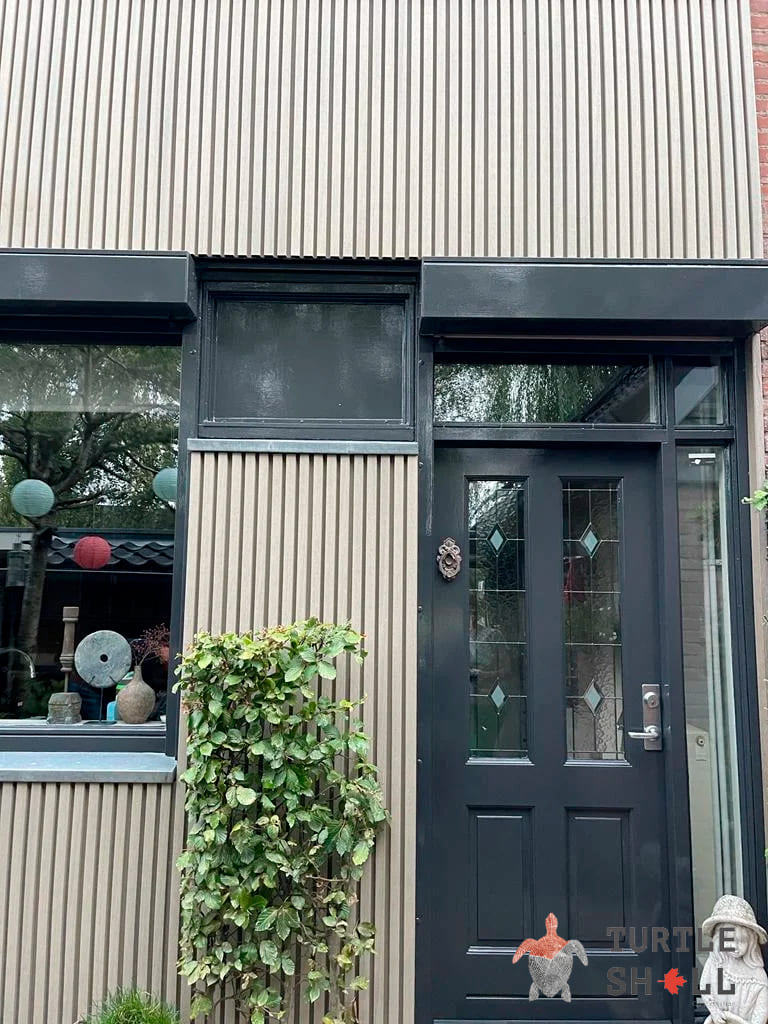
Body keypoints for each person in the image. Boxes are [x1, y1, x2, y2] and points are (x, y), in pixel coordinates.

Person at [701, 895, 768, 1024]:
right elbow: (705, 988)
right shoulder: (715, 963)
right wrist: (714, 1011)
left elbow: (760, 1017)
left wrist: (734, 1020)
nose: (735, 947)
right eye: (729, 940)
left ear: (751, 942)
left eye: (742, 941)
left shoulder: (758, 977)